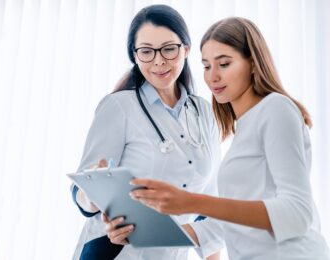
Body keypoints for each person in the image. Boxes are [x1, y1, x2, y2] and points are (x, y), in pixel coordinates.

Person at [129, 17, 330, 259]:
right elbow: (227, 225)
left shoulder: (276, 109)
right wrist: (142, 232)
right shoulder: (244, 127)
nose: (212, 77)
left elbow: (297, 213)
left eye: (224, 64)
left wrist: (191, 202)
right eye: (206, 66)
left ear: (253, 63)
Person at [70, 4, 223, 260]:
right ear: (135, 55)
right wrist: (95, 196)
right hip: (115, 251)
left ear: (185, 49)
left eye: (169, 49)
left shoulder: (203, 112)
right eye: (147, 51)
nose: (159, 60)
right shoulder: (119, 107)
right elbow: (81, 191)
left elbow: (208, 205)